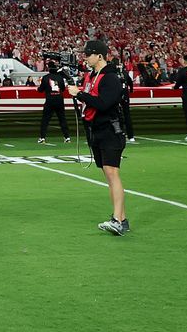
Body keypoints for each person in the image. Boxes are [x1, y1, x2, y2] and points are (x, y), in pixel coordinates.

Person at [67, 39, 130, 236]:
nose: (85, 58)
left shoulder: (110, 77)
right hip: (98, 129)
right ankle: (121, 218)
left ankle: (117, 220)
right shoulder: (92, 75)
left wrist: (80, 95)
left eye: (88, 54)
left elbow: (104, 104)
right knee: (108, 175)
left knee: (112, 173)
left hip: (110, 129)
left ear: (99, 56)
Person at [36, 58, 71, 144]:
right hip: (59, 100)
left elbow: (40, 90)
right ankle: (67, 137)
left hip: (50, 100)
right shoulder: (60, 78)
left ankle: (42, 137)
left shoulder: (45, 78)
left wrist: (38, 88)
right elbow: (63, 89)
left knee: (45, 120)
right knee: (62, 119)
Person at [115, 58, 136, 144]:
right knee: (127, 115)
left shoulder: (114, 74)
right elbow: (130, 83)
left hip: (117, 96)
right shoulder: (124, 73)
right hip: (125, 96)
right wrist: (130, 90)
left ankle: (120, 133)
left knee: (117, 115)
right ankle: (130, 135)